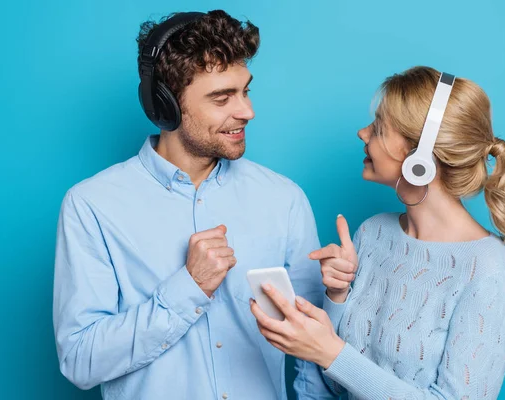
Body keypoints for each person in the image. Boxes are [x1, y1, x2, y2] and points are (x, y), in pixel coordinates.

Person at [53, 10, 333, 400]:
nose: (246, 112)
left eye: (245, 91)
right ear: (164, 106)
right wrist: (189, 287)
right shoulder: (92, 206)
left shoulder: (283, 199)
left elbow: (313, 351)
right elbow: (80, 360)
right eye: (222, 98)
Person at [250, 66, 505, 400]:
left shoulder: (488, 268)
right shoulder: (372, 234)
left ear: (419, 158)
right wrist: (337, 295)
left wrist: (331, 352)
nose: (363, 134)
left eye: (378, 127)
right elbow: (337, 384)